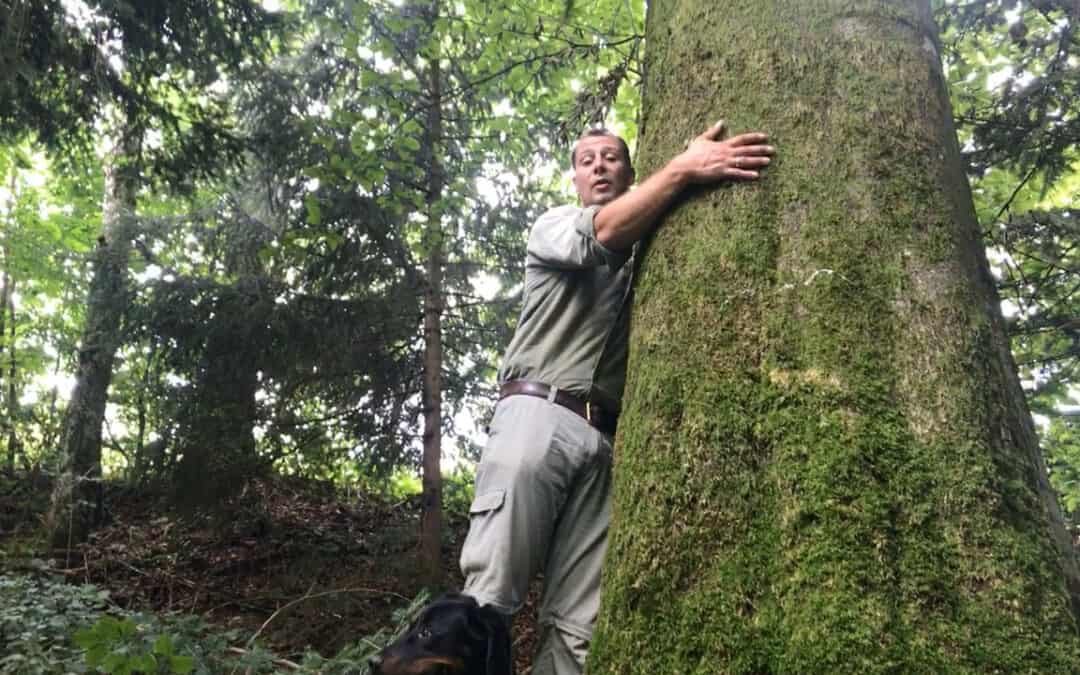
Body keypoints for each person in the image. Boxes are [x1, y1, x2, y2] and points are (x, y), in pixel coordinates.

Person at [459, 120, 774, 674]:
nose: (599, 166)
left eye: (611, 157)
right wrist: (684, 168)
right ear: (576, 179)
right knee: (488, 600)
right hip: (538, 418)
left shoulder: (655, 246)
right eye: (587, 161)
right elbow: (601, 234)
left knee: (577, 627)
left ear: (630, 171)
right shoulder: (555, 225)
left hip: (607, 445)